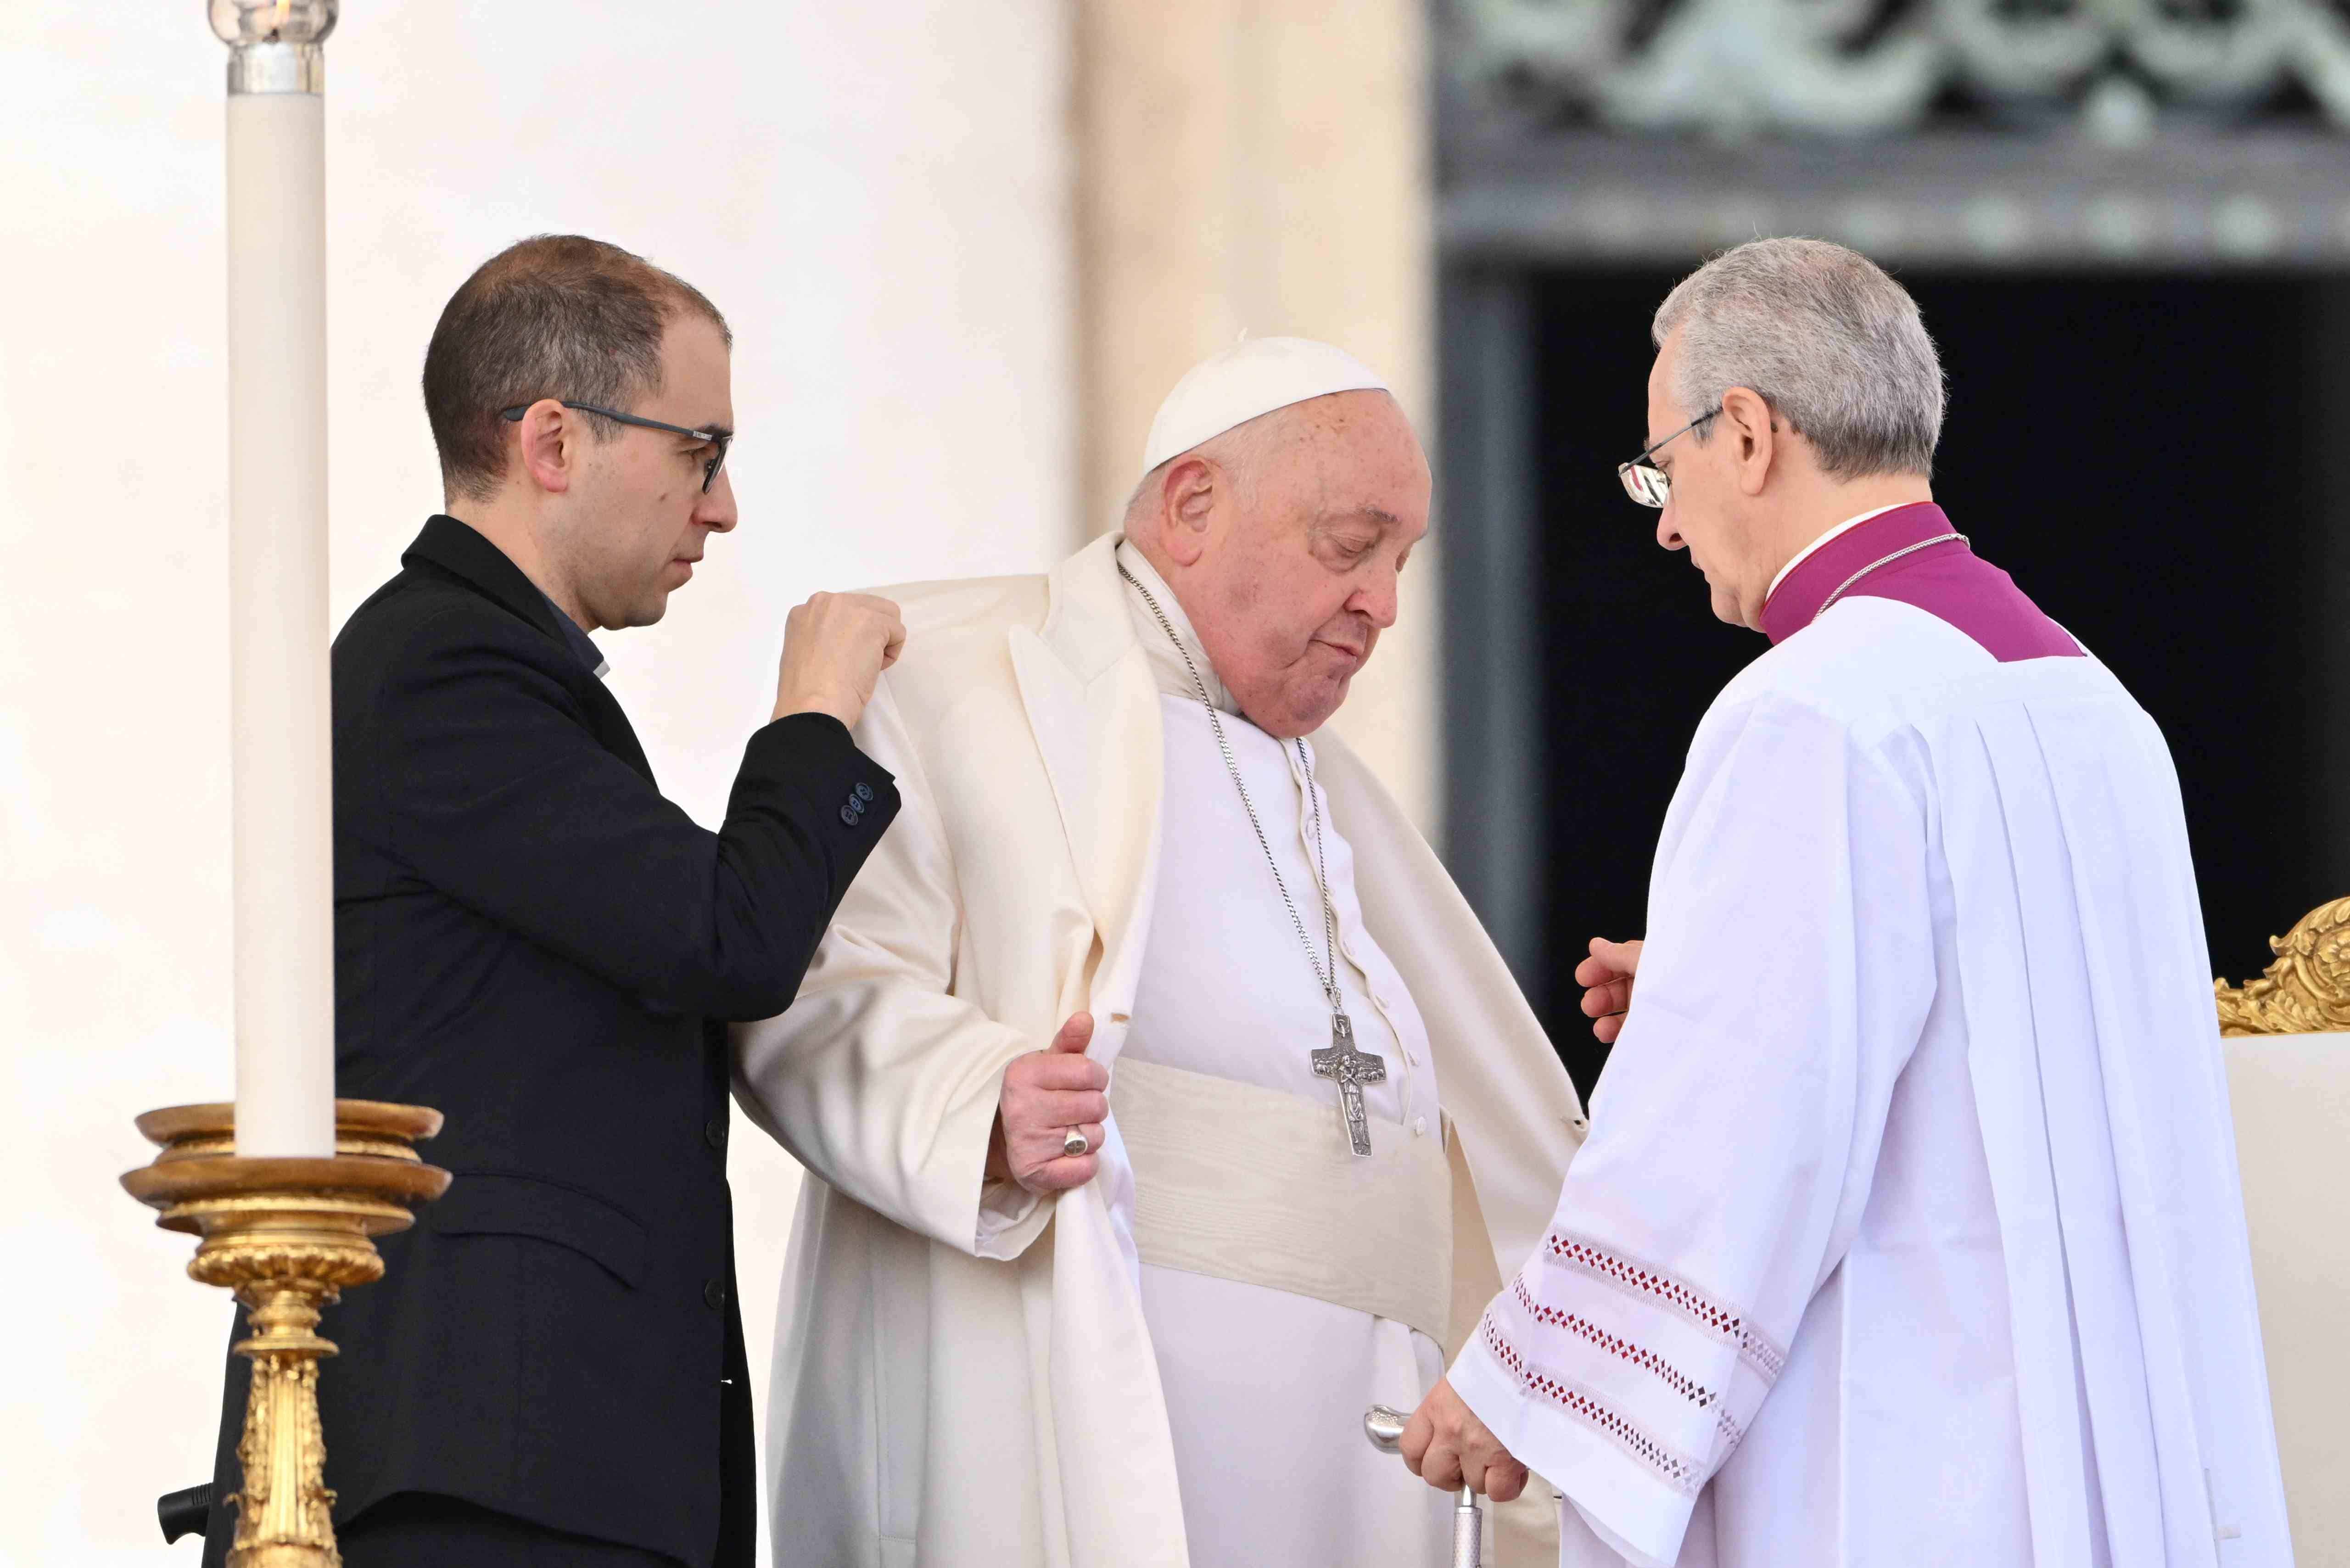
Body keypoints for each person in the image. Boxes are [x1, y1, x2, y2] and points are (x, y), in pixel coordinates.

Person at [1399, 238, 2294, 1566]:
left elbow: (1738, 1126)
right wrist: (1722, 987)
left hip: (1914, 1454)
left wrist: (1525, 1380)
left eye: (1666, 465)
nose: (1664, 519)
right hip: (2100, 1450)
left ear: (1749, 434)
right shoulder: (2097, 707)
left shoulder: (1813, 711)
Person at [732, 337, 1585, 1567]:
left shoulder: (1332, 794)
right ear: (1192, 506)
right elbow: (798, 983)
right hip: (1105, 1408)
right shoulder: (951, 673)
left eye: (1402, 564)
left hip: (1368, 1459)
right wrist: (978, 1101)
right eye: (1352, 547)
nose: (1386, 605)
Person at [194, 235, 906, 1568]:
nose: (726, 507)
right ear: (554, 442)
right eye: (701, 451)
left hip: (538, 1470)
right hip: (484, 1475)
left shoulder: (499, 675)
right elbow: (727, 936)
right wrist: (817, 719)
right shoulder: (441, 668)